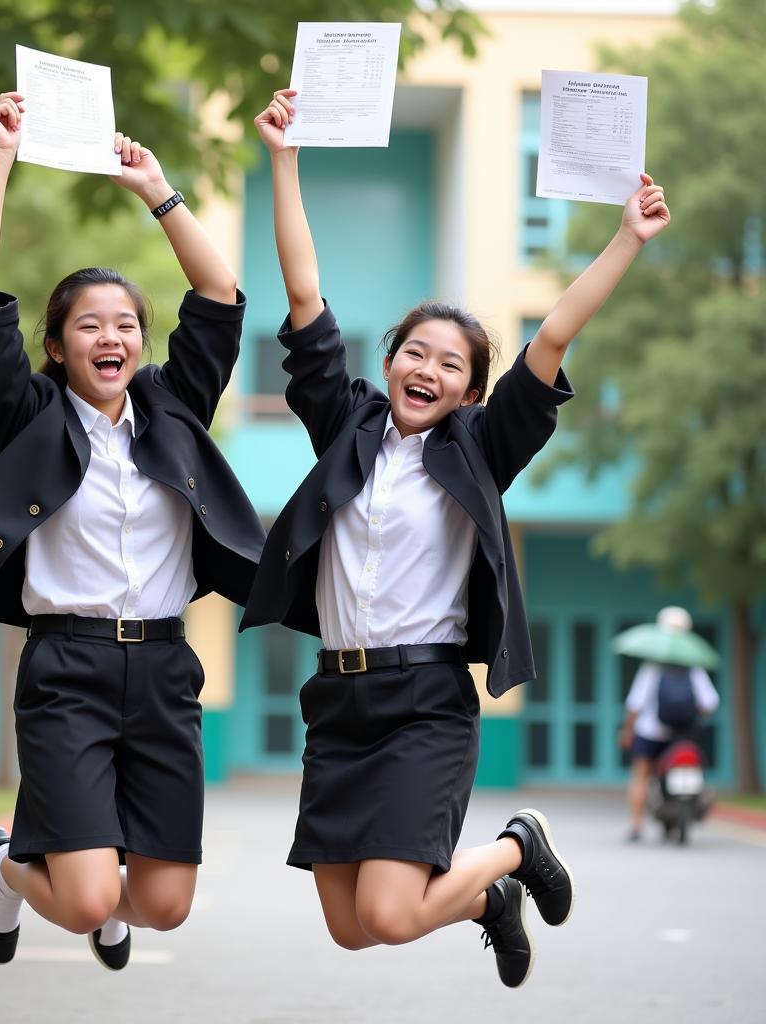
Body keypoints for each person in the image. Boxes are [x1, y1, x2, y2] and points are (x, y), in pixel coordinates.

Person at [241, 89, 671, 988]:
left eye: (451, 363)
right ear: (389, 359)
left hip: (425, 702)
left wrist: (627, 236)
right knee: (351, 929)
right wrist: (284, 159)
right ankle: (485, 898)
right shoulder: (347, 426)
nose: (427, 369)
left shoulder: (481, 444)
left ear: (472, 389)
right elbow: (306, 297)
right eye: (414, 351)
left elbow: (551, 335)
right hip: (336, 701)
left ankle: (515, 848)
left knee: (393, 914)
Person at [0, 92, 264, 970]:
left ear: (142, 343)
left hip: (168, 667)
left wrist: (158, 190)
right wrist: (1, 156)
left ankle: (56, 873)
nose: (113, 336)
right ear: (57, 348)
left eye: (127, 324)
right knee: (92, 897)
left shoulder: (173, 409)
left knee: (165, 907)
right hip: (67, 668)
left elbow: (218, 293)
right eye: (89, 325)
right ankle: (5, 864)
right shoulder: (29, 416)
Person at [619, 607, 720, 842]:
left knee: (641, 775)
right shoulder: (695, 668)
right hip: (683, 734)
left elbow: (635, 705)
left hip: (650, 733)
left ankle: (635, 826)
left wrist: (627, 731)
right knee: (692, 768)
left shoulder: (651, 668)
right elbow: (709, 703)